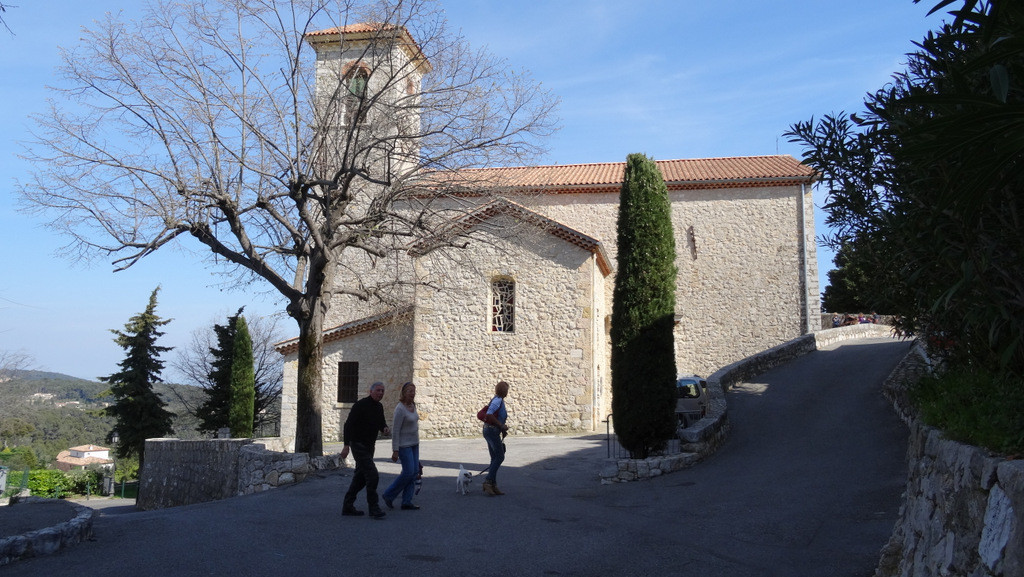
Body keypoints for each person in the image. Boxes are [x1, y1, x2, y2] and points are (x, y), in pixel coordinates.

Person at [340, 382, 391, 519]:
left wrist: (384, 428)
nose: (380, 393)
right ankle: (374, 508)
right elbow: (348, 425)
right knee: (372, 474)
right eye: (378, 390)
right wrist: (346, 446)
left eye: (382, 391)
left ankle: (348, 506)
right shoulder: (360, 405)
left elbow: (381, 423)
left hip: (370, 446)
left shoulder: (379, 407)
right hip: (358, 444)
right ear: (371, 391)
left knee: (361, 478)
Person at [382, 381, 421, 510]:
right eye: (410, 391)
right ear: (404, 393)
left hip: (415, 444)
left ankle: (407, 501)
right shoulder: (400, 408)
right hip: (404, 446)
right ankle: (389, 494)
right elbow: (396, 430)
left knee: (414, 472)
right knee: (408, 472)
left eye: (414, 391)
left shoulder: (413, 406)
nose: (412, 393)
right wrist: (395, 450)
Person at [481, 380, 510, 496]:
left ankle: (493, 485)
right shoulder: (498, 400)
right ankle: (488, 481)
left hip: (490, 430)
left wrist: (502, 429)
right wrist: (501, 425)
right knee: (500, 457)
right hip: (492, 431)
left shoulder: (497, 400)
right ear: (505, 391)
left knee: (494, 458)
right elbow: (489, 414)